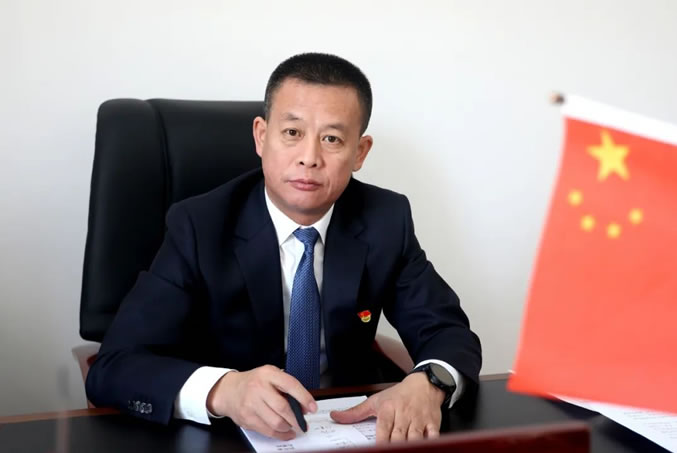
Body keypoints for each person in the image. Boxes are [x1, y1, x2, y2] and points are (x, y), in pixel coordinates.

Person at [86, 52, 481, 443]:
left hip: (343, 428)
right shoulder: (199, 226)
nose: (309, 158)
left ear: (359, 152)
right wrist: (223, 389)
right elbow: (115, 366)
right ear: (261, 136)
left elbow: (447, 330)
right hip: (226, 435)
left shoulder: (385, 219)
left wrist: (429, 382)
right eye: (292, 133)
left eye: (331, 139)